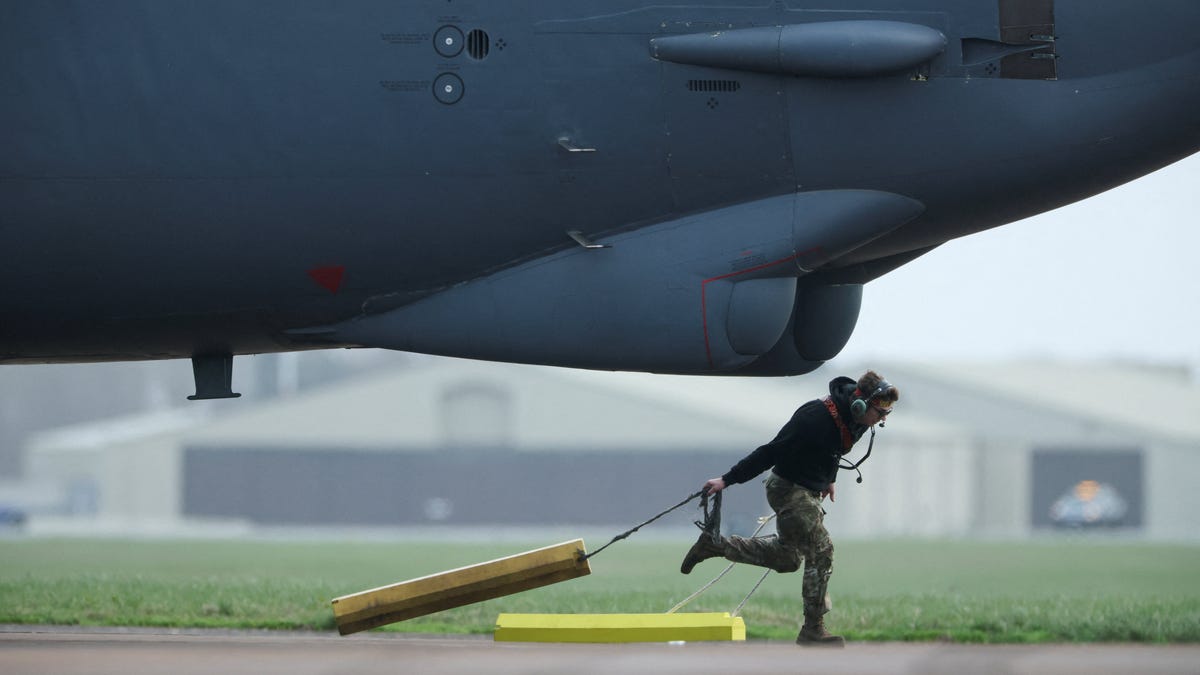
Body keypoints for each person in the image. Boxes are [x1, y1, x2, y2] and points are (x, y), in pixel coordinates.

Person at [679, 371, 898, 647]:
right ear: (860, 403)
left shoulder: (860, 420)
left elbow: (835, 450)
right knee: (822, 550)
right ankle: (813, 629)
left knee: (789, 559)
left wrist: (829, 480)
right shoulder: (813, 418)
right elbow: (770, 451)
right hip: (787, 488)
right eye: (881, 411)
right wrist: (727, 479)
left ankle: (716, 545)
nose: (883, 418)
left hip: (808, 488)